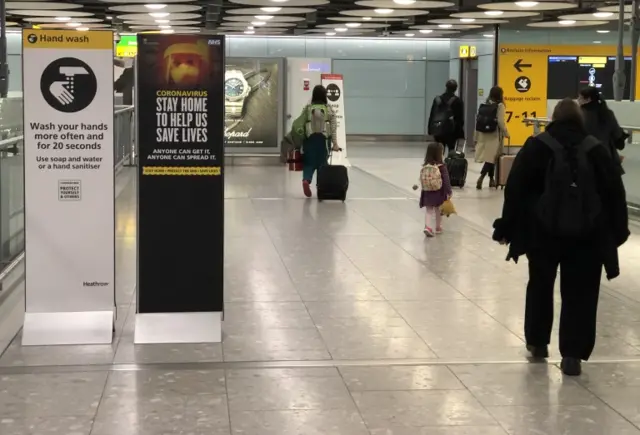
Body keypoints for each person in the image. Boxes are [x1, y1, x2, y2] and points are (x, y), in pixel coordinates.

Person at [492, 98, 629, 376]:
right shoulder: (596, 148)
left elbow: (515, 189)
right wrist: (617, 231)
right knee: (581, 293)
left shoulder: (537, 146)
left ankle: (538, 342)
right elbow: (615, 193)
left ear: (554, 118)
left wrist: (507, 226)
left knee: (541, 284)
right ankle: (572, 355)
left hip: (543, 233)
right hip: (587, 236)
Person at [299, 85, 339, 198]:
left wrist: (300, 143)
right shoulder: (329, 109)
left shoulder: (307, 108)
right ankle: (321, 187)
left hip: (309, 141)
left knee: (309, 163)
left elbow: (300, 125)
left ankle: (306, 180)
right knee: (322, 165)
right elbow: (333, 127)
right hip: (323, 141)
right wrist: (335, 143)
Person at [578, 87, 627, 175]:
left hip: (585, 157)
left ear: (588, 99)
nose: (578, 100)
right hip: (606, 156)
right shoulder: (608, 113)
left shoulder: (579, 114)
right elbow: (617, 135)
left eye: (580, 98)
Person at [474, 86, 510, 189]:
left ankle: (491, 180)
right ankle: (481, 177)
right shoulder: (500, 106)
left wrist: (476, 137)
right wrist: (506, 133)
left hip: (483, 134)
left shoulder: (485, 104)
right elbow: (500, 122)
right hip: (494, 135)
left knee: (491, 157)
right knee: (491, 159)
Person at [418, 142, 452, 237]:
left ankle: (427, 227)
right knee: (438, 210)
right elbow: (446, 180)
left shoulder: (426, 166)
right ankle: (438, 227)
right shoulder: (442, 167)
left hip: (427, 191)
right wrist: (449, 191)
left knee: (429, 210)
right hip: (439, 191)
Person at [428, 79, 464, 156]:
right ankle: (449, 166)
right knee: (451, 151)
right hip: (451, 131)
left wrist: (430, 129)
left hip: (438, 129)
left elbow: (432, 115)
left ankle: (439, 165)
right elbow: (459, 119)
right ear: (455, 89)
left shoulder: (437, 99)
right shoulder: (457, 101)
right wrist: (460, 132)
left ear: (446, 87)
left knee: (439, 151)